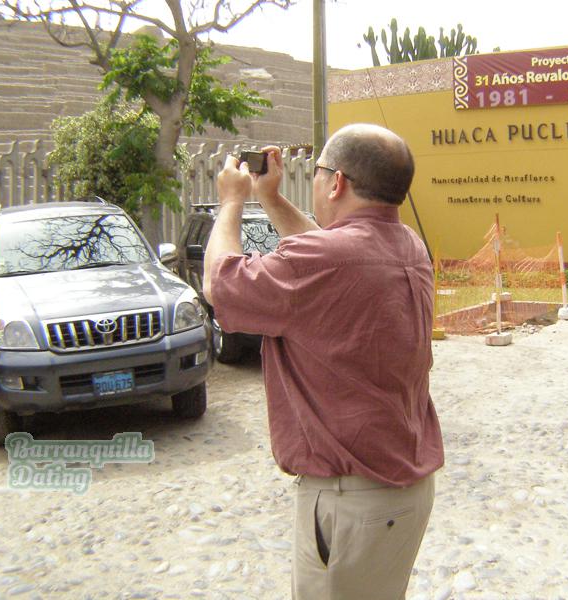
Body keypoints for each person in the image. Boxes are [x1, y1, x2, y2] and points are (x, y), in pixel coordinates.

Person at [203, 123, 444, 599]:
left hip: (350, 499)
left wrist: (232, 200)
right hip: (400, 491)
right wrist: (270, 200)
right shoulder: (407, 246)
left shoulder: (329, 257)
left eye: (317, 174)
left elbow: (219, 285)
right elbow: (328, 253)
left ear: (336, 183)